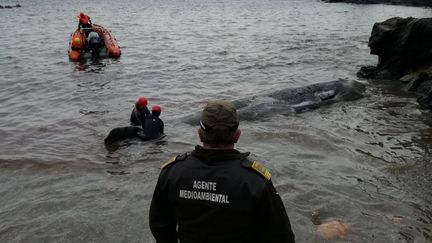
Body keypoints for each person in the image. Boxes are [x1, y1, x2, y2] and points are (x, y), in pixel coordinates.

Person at [149, 100, 296, 243]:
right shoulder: (255, 180)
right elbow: (280, 235)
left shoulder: (172, 172)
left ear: (200, 134)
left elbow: (160, 225)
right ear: (237, 135)